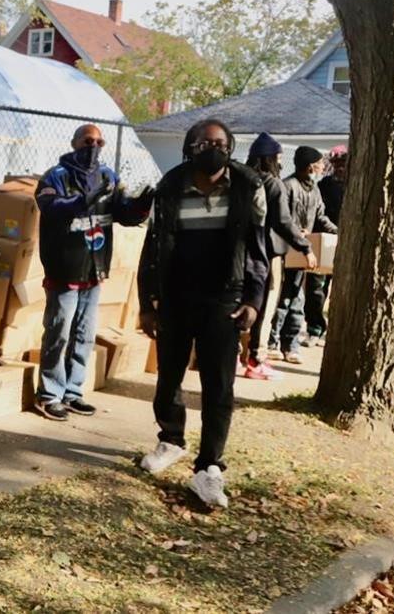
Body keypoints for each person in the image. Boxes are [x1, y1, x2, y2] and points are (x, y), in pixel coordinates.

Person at [137, 119, 268, 509]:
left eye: (219, 142)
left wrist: (254, 300)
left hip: (224, 299)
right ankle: (171, 439)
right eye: (203, 142)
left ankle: (209, 466)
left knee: (219, 384)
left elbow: (259, 250)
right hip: (177, 296)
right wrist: (147, 303)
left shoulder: (248, 186)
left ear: (230, 146)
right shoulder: (171, 186)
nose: (211, 148)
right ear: (189, 147)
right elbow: (152, 245)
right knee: (169, 374)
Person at [32, 124, 153, 420]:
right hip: (65, 271)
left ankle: (73, 391)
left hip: (94, 271)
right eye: (88, 141)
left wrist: (141, 205)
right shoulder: (55, 177)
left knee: (84, 335)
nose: (94, 146)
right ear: (74, 143)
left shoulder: (109, 177)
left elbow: (123, 213)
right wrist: (82, 200)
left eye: (99, 141)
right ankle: (49, 395)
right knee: (59, 332)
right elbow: (51, 207)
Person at [240, 133, 315, 380]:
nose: (281, 163)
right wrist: (305, 246)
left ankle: (233, 354)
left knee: (238, 304)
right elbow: (283, 222)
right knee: (265, 307)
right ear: (271, 159)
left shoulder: (240, 180)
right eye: (279, 158)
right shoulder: (273, 184)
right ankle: (256, 359)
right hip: (267, 255)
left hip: (238, 253)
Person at [266, 146, 337, 362]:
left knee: (297, 298)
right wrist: (298, 234)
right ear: (309, 166)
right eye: (319, 162)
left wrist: (338, 232)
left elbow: (320, 217)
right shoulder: (287, 186)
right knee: (283, 299)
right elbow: (282, 220)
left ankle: (291, 345)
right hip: (286, 250)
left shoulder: (314, 190)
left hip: (304, 253)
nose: (323, 166)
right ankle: (272, 342)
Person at [305, 145, 348, 345]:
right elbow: (317, 215)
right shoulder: (323, 186)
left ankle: (338, 331)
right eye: (336, 163)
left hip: (348, 244)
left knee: (343, 290)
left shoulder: (356, 185)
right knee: (316, 287)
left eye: (344, 163)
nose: (340, 168)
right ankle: (315, 328)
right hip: (324, 241)